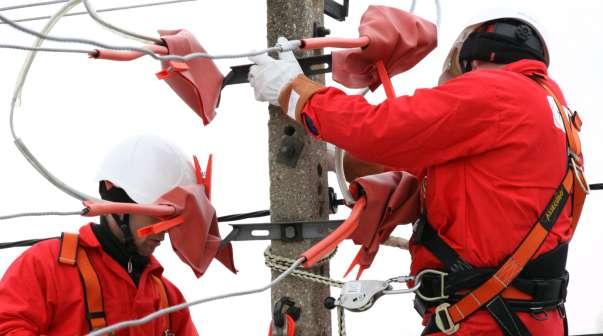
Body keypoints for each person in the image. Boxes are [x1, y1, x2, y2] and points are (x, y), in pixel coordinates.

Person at [249, 10, 586, 336]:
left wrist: (294, 92)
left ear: (475, 57)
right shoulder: (553, 113)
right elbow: (483, 188)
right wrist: (346, 161)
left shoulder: (496, 92)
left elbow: (381, 130)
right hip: (526, 317)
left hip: (484, 321)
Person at [0, 134, 199, 335]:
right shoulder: (46, 264)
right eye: (157, 215)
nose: (164, 230)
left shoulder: (169, 300)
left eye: (172, 220)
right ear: (120, 203)